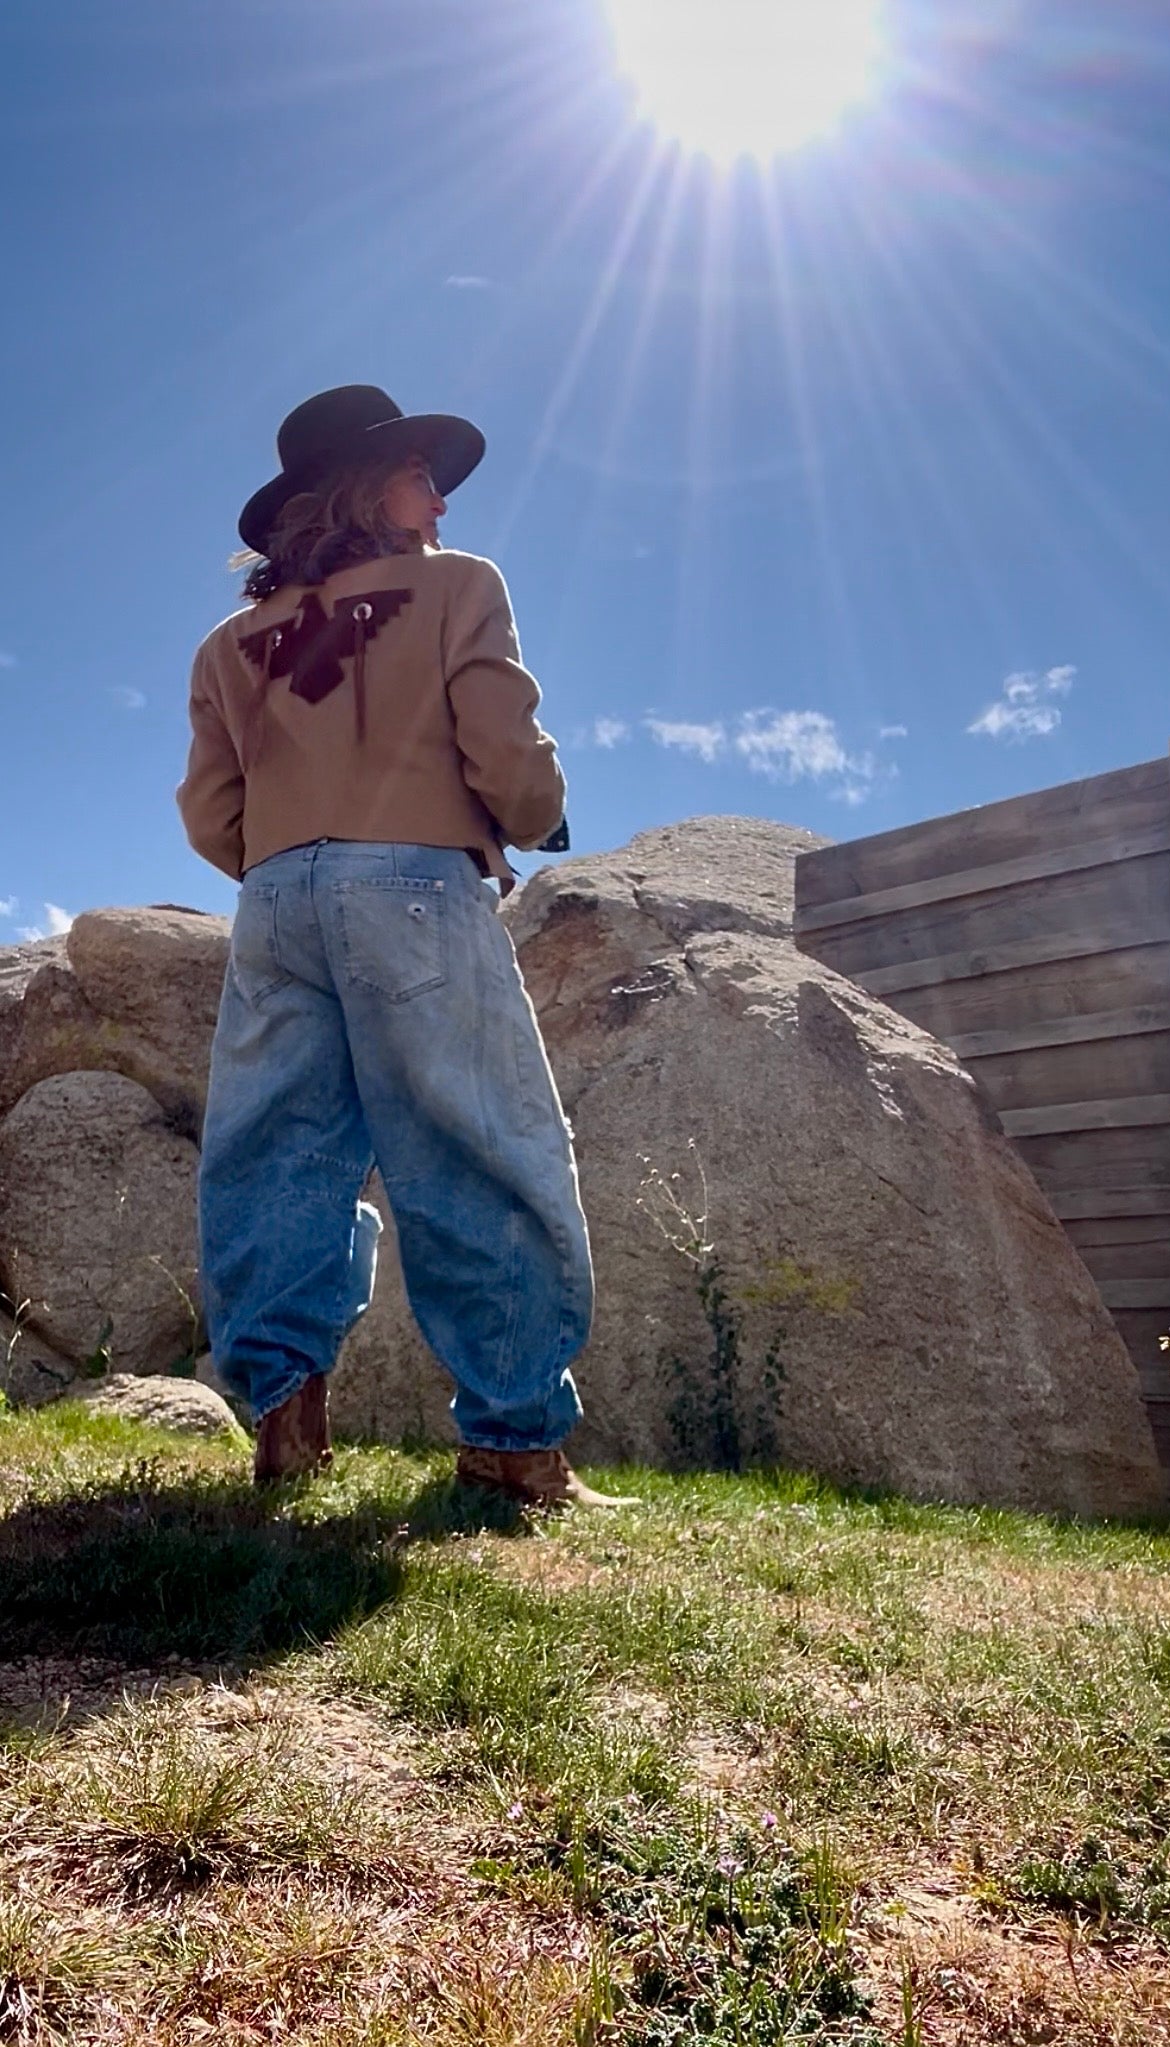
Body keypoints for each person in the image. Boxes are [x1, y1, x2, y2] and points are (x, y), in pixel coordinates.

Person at [177, 383, 634, 1508]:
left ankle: (285, 1420)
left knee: (276, 1157)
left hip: (277, 899)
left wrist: (298, 861)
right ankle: (515, 1442)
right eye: (423, 472)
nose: (439, 494)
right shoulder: (457, 585)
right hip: (417, 886)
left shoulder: (230, 645)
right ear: (369, 486)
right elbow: (509, 757)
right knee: (477, 1151)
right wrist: (524, 821)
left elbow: (208, 812)